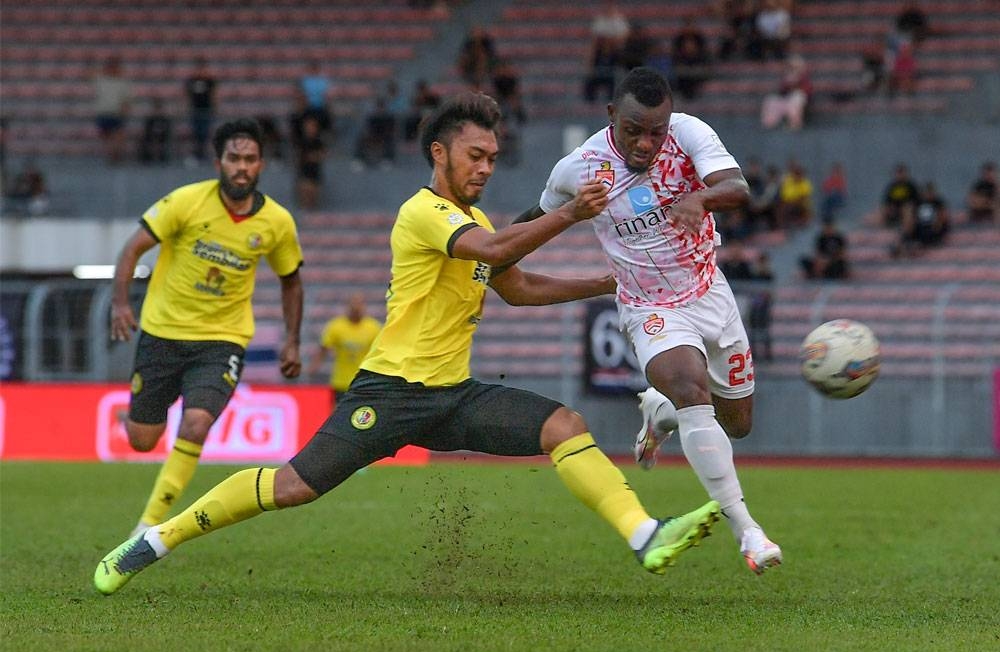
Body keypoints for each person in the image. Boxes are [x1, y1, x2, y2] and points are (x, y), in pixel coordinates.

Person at [94, 92, 721, 595]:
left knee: (564, 425)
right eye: (475, 155)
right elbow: (498, 250)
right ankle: (156, 539)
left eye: (493, 159)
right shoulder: (421, 212)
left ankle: (644, 534)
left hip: (451, 395)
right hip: (390, 392)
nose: (485, 167)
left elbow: (518, 287)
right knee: (292, 488)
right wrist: (566, 216)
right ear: (439, 153)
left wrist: (611, 282)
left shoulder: (475, 220)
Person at [517, 67, 781, 574]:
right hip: (649, 306)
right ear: (612, 115)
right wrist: (490, 251)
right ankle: (748, 531)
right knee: (691, 390)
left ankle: (661, 414)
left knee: (739, 424)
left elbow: (739, 187)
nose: (645, 142)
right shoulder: (580, 167)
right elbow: (541, 215)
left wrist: (700, 197)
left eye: (655, 131)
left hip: (711, 292)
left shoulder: (690, 133)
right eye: (633, 129)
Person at [107, 118, 304, 541]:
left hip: (222, 340)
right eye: (234, 158)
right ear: (219, 161)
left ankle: (146, 527)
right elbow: (134, 246)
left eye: (250, 159)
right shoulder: (186, 201)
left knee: (196, 424)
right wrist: (120, 303)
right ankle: (136, 416)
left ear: (261, 165)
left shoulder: (277, 222)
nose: (241, 167)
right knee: (143, 440)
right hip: (162, 333)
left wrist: (291, 338)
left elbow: (291, 279)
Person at [307, 292, 382, 408]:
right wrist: (314, 367)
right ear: (348, 306)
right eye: (353, 304)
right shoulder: (336, 326)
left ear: (364, 307)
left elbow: (380, 353)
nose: (356, 308)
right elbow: (324, 348)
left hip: (363, 382)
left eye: (359, 305)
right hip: (341, 382)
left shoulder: (373, 327)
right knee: (337, 414)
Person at [92, 56, 131, 164]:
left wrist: (125, 112)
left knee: (118, 137)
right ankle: (112, 157)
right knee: (108, 139)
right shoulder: (101, 81)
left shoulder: (122, 82)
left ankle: (116, 157)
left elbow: (126, 100)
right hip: (104, 113)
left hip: (116, 114)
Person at [761, 55, 812, 131]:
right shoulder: (786, 77)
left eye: (795, 67)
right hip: (786, 99)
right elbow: (782, 91)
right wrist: (788, 84)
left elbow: (807, 92)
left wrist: (796, 84)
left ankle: (794, 124)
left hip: (797, 100)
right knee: (771, 99)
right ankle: (769, 123)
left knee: (797, 97)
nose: (793, 69)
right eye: (791, 67)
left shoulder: (805, 79)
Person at [184, 57, 217, 164]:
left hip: (206, 110)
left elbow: (214, 95)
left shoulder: (209, 81)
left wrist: (214, 108)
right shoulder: (191, 80)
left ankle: (204, 155)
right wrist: (186, 108)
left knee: (205, 133)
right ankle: (196, 155)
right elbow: (186, 95)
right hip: (195, 110)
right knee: (196, 133)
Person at [880, 163, 919, 229]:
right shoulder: (892, 187)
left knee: (907, 210)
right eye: (898, 173)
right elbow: (886, 200)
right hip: (895, 208)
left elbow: (917, 200)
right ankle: (883, 230)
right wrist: (888, 207)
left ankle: (907, 230)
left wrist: (910, 206)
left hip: (907, 209)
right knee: (882, 210)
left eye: (902, 173)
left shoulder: (911, 186)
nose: (900, 175)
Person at [138, 97, 172, 164]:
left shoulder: (165, 120)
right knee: (149, 142)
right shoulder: (150, 120)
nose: (158, 111)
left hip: (162, 138)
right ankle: (147, 160)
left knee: (160, 142)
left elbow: (168, 131)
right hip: (151, 138)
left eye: (159, 108)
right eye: (156, 108)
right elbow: (147, 132)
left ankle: (162, 158)